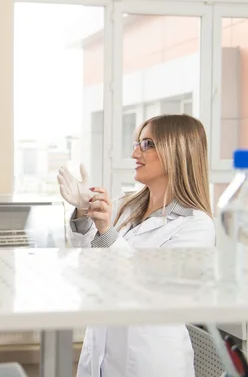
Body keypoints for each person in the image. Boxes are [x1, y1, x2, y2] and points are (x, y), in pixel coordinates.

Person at [58, 113, 215, 377]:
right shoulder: (126, 206)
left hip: (150, 363)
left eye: (147, 144)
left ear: (177, 151)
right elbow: (91, 261)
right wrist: (84, 212)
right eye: (136, 143)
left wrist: (106, 230)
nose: (134, 154)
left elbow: (151, 287)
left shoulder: (196, 225)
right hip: (100, 354)